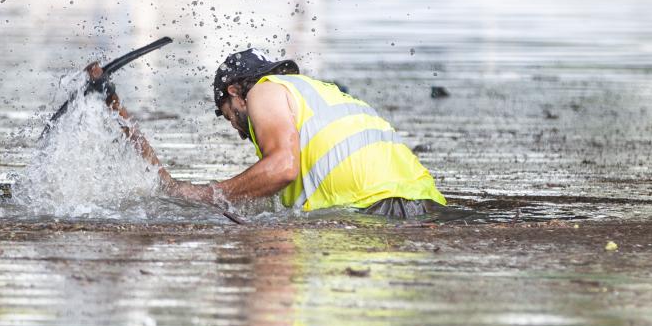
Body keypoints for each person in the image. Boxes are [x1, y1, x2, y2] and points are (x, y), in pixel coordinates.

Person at [89, 49, 447, 219]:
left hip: (384, 211)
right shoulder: (314, 97)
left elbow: (283, 169)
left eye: (225, 115)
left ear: (233, 93)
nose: (233, 126)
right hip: (424, 205)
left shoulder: (263, 90)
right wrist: (114, 104)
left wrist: (213, 194)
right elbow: (168, 186)